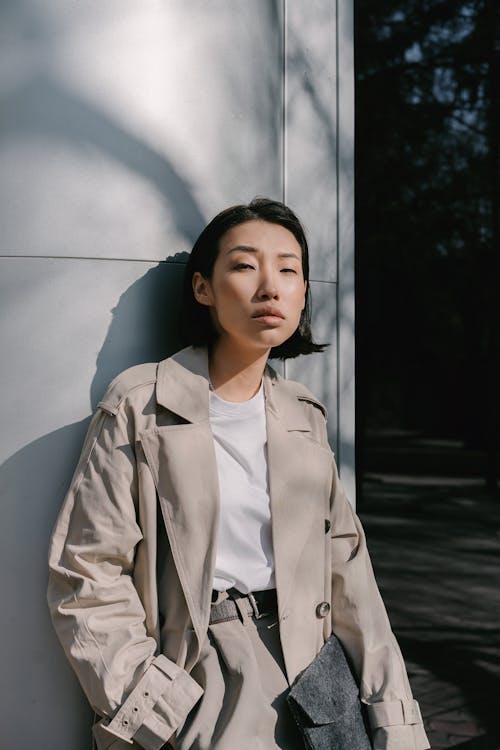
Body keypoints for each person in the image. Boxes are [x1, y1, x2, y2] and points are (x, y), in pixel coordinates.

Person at [47, 198, 430, 750]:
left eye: (289, 269)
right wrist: (148, 703)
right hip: (200, 676)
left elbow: (351, 580)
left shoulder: (303, 416)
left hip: (316, 675)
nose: (270, 286)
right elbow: (85, 569)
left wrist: (393, 721)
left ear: (302, 293)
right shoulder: (141, 402)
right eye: (245, 265)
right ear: (203, 287)